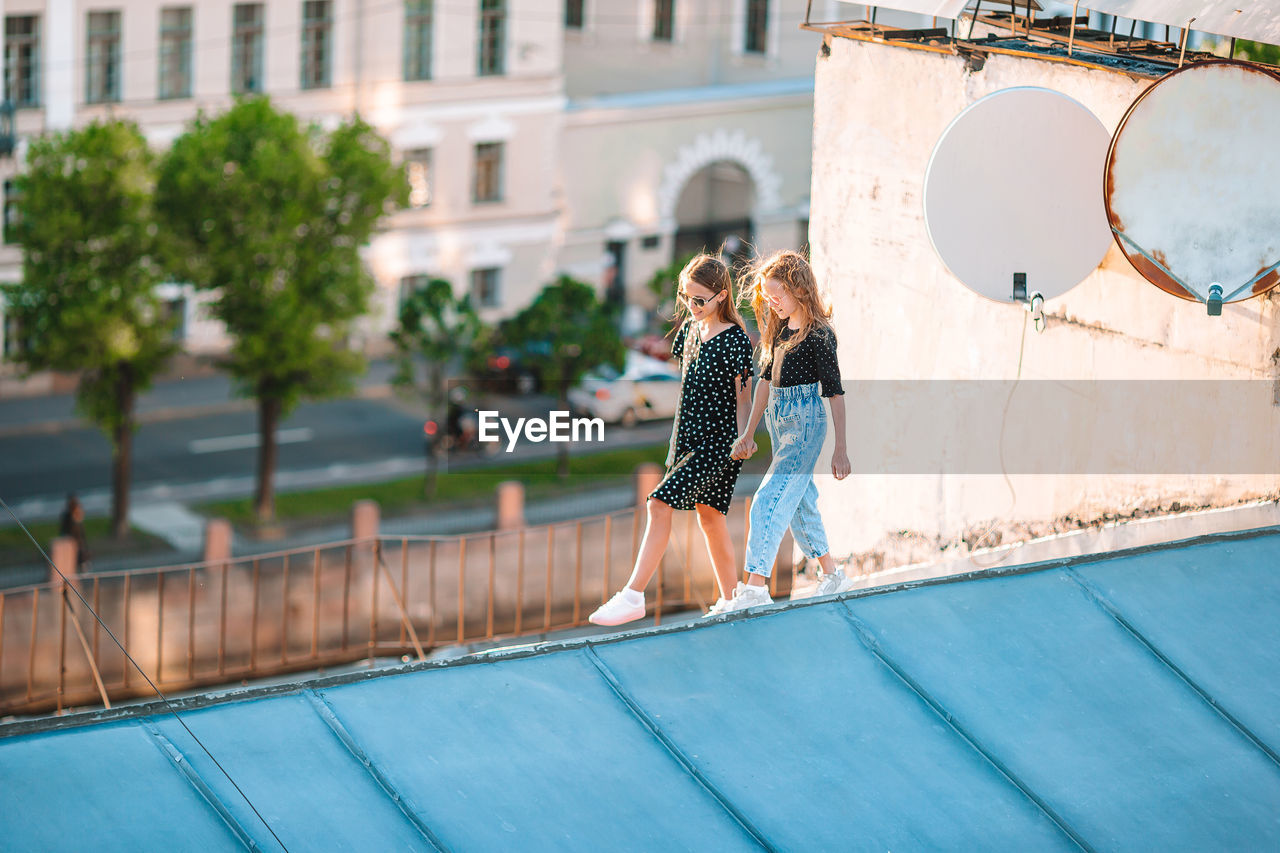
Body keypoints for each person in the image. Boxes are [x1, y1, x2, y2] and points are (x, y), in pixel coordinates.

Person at [589, 254, 755, 625]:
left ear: (722, 296)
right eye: (686, 298)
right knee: (710, 518)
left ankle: (633, 595)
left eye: (699, 300)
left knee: (657, 504)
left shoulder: (736, 343)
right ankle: (732, 599)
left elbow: (744, 399)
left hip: (719, 444)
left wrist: (745, 438)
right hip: (685, 441)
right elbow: (683, 382)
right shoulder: (689, 332)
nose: (691, 306)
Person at [722, 250, 852, 613]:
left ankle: (755, 586)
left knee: (767, 499)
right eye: (767, 296)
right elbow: (764, 383)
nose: (771, 302)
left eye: (777, 294)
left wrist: (840, 449)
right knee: (799, 502)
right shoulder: (779, 332)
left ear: (799, 290)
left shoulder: (819, 336)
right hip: (780, 424)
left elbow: (835, 394)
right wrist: (747, 434)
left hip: (806, 423)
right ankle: (832, 573)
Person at [58, 493, 90, 569]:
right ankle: (81, 564)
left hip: (77, 538)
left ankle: (82, 563)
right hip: (72, 538)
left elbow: (80, 530)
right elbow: (67, 529)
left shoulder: (76, 514)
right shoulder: (68, 515)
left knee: (80, 550)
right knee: (78, 551)